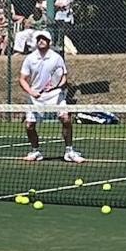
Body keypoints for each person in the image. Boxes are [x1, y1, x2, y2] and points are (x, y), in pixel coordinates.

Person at [20, 31, 83, 164]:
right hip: (35, 96)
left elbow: (63, 76)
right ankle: (35, 151)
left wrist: (57, 86)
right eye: (39, 39)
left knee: (66, 119)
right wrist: (31, 91)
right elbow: (22, 79)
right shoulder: (30, 58)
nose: (41, 41)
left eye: (44, 39)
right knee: (29, 125)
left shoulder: (56, 58)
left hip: (55, 95)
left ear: (49, 42)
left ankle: (69, 151)